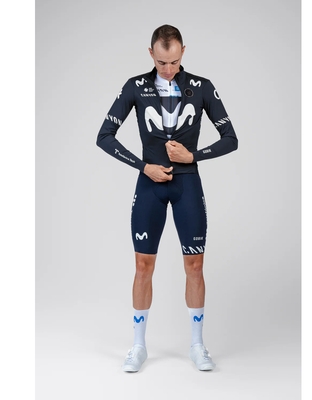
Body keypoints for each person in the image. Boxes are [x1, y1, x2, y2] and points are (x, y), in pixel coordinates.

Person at [96, 24, 238, 372]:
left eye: (174, 62)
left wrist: (193, 156)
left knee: (195, 266)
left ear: (183, 52)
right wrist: (144, 166)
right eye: (161, 63)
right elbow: (105, 136)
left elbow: (230, 139)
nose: (169, 69)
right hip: (150, 186)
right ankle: (138, 346)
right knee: (143, 266)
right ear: (151, 54)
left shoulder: (202, 87)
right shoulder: (136, 86)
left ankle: (197, 345)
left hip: (187, 185)